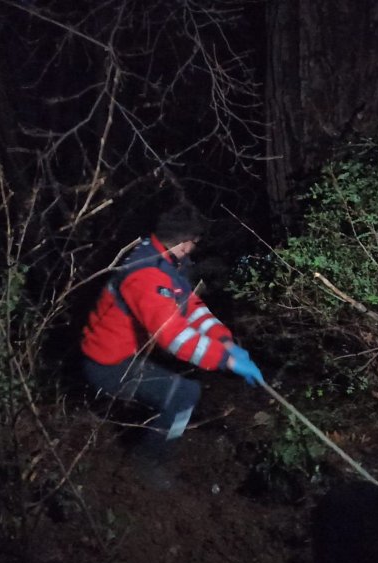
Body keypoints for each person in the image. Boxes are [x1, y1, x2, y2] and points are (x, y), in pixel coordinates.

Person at [81, 200, 264, 488]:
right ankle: (147, 461)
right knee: (183, 397)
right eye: (194, 242)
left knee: (179, 391)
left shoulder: (164, 260)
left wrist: (223, 340)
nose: (194, 247)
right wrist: (225, 360)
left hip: (123, 353)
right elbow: (174, 337)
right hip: (107, 364)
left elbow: (190, 307)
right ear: (184, 241)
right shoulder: (146, 275)